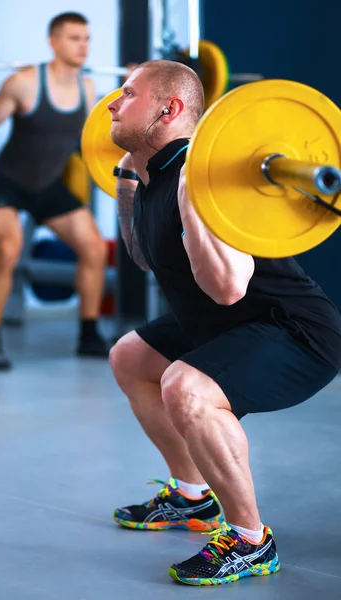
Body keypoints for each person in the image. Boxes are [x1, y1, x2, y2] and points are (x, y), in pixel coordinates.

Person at [107, 60, 341, 586]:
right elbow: (145, 258)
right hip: (221, 324)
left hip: (295, 330)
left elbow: (228, 287)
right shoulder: (150, 175)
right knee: (130, 357)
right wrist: (127, 181)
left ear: (169, 109)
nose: (112, 104)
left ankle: (250, 540)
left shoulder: (203, 177)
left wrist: (195, 196)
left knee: (185, 387)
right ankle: (192, 497)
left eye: (127, 93)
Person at [0, 12, 110, 370]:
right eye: (74, 38)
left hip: (48, 186)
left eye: (86, 38)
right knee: (8, 249)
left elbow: (96, 140)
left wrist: (135, 88)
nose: (83, 45)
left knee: (94, 248)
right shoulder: (23, 82)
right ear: (53, 42)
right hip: (5, 182)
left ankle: (89, 336)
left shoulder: (86, 88)